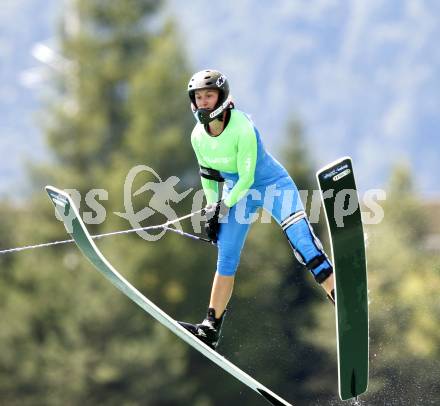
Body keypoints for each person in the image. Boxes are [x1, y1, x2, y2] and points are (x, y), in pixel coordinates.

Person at [178, 69, 335, 350]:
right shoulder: (197, 137)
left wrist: (223, 205)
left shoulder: (242, 127)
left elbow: (249, 178)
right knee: (226, 257)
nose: (203, 102)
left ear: (222, 98)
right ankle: (211, 328)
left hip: (271, 184)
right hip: (235, 191)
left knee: (302, 243)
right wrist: (213, 206)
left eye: (208, 96)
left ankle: (339, 295)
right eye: (198, 97)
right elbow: (209, 176)